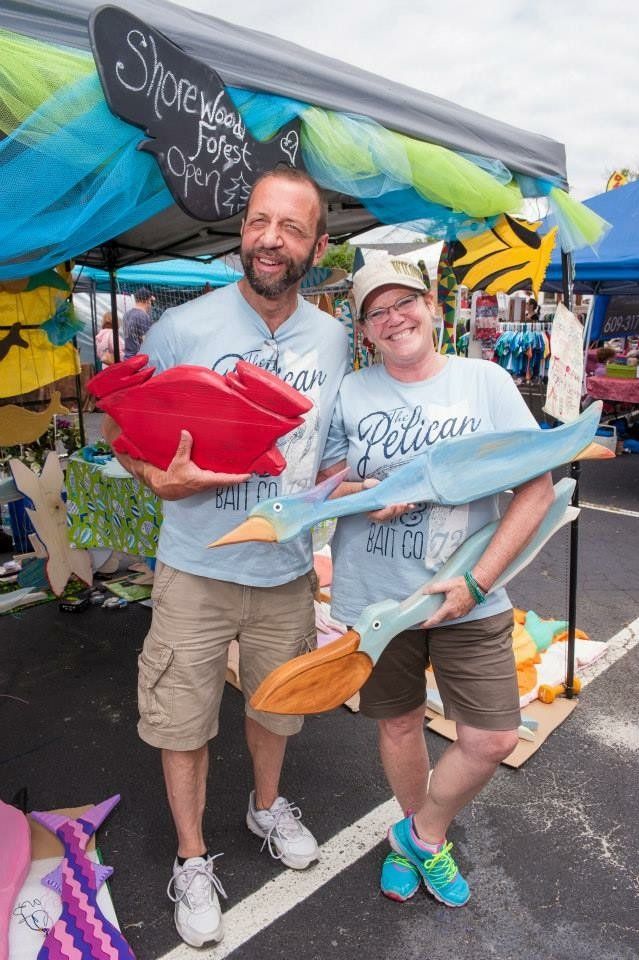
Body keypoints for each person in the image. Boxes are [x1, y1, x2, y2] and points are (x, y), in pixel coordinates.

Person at [103, 168, 349, 948]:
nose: (269, 239)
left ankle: (265, 807)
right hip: (195, 567)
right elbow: (126, 439)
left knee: (277, 707)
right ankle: (191, 854)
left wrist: (345, 510)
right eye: (256, 222)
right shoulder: (181, 328)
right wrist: (155, 476)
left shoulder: (334, 338)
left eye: (289, 227)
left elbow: (332, 455)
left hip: (283, 573)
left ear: (316, 244)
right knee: (183, 720)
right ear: (241, 230)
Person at [319, 256, 553, 908]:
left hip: (466, 592)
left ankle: (419, 835)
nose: (394, 318)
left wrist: (476, 583)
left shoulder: (486, 380)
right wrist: (367, 491)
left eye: (404, 302)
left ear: (431, 306)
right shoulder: (349, 392)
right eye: (377, 310)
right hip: (376, 599)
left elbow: (534, 486)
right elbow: (318, 484)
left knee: (490, 738)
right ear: (363, 329)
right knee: (397, 727)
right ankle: (427, 836)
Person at [123, 287, 155, 358]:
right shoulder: (143, 316)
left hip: (127, 357)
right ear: (147, 301)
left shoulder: (127, 314)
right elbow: (146, 341)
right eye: (151, 301)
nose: (151, 304)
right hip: (138, 360)